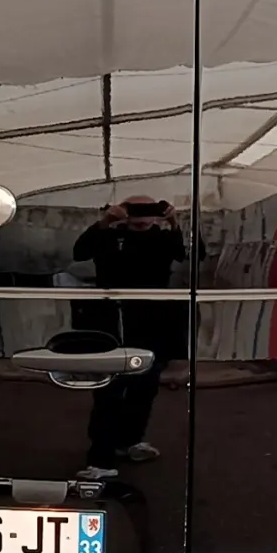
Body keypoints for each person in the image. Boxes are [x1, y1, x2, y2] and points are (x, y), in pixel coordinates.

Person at [71, 196, 201, 480]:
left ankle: (129, 441)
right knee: (110, 389)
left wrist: (175, 222)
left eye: (149, 211)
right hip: (113, 322)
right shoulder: (109, 236)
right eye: (134, 210)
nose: (142, 217)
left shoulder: (163, 238)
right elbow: (79, 252)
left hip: (154, 323)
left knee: (146, 385)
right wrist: (106, 221)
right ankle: (100, 457)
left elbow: (193, 255)